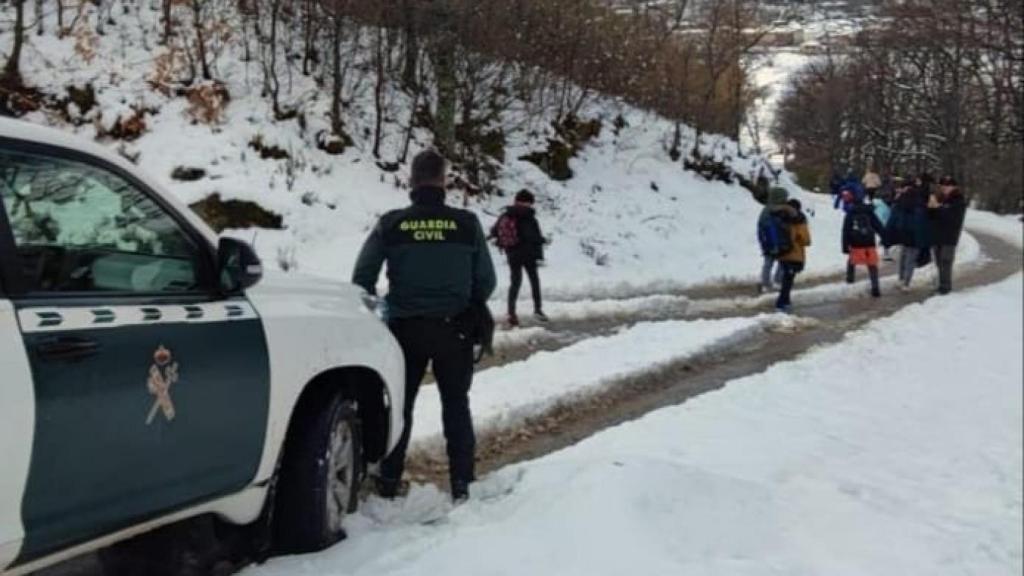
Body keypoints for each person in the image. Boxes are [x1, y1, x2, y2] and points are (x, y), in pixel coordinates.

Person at [351, 149, 497, 502]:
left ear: (412, 182)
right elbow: (486, 281)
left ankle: (388, 480)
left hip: (405, 330)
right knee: (456, 405)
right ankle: (462, 482)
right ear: (444, 181)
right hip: (455, 329)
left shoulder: (392, 224)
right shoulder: (466, 224)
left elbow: (362, 278)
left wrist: (384, 308)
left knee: (400, 406)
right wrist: (467, 304)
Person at [492, 189, 547, 326]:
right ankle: (538, 310)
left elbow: (494, 231)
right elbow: (531, 236)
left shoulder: (506, 214)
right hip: (528, 253)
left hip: (512, 253)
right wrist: (541, 240)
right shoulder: (529, 216)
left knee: (515, 282)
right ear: (528, 202)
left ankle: (511, 312)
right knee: (534, 281)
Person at [887, 174, 932, 291]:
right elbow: (922, 217)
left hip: (904, 231)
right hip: (914, 232)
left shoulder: (902, 199)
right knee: (910, 259)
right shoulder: (919, 198)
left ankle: (901, 279)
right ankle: (906, 283)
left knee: (904, 256)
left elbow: (895, 214)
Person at [928, 175, 967, 294]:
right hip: (937, 234)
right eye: (943, 185)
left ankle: (945, 287)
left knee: (946, 261)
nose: (945, 188)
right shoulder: (940, 198)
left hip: (949, 236)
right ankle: (941, 283)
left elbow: (952, 217)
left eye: (947, 185)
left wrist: (939, 208)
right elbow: (933, 216)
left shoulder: (958, 199)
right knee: (939, 261)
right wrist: (931, 208)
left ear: (954, 187)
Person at [843, 195, 885, 298]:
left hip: (855, 243)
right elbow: (878, 226)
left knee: (851, 261)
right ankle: (875, 287)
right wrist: (885, 237)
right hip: (869, 242)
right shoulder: (869, 212)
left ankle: (850, 280)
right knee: (872, 265)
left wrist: (845, 246)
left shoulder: (850, 213)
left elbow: (845, 231)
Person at [775, 198, 811, 311]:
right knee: (788, 280)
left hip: (782, 253)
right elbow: (806, 240)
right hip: (795, 255)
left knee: (786, 278)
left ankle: (785, 301)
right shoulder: (799, 221)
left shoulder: (780, 218)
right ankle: (782, 303)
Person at [757, 186, 789, 293]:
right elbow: (769, 229)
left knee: (781, 262)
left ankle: (777, 281)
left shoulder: (780, 210)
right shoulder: (769, 211)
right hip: (770, 242)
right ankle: (766, 283)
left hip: (778, 241)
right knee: (769, 262)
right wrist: (772, 243)